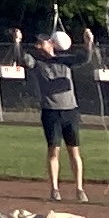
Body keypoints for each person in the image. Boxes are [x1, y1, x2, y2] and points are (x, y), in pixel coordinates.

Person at [31, 29, 90, 204]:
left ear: (52, 44)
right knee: (53, 151)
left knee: (74, 151)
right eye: (39, 42)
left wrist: (88, 43)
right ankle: (55, 189)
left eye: (43, 41)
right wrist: (17, 42)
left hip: (70, 110)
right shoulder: (38, 62)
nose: (40, 43)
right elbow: (22, 59)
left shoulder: (65, 61)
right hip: (50, 111)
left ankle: (79, 189)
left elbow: (85, 59)